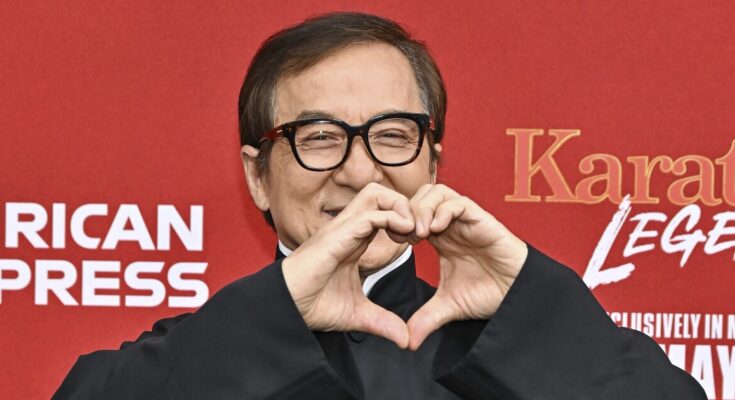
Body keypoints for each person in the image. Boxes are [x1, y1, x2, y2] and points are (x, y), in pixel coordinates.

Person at [53, 12, 706, 400]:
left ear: (433, 166)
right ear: (257, 177)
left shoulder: (511, 356)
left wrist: (532, 309)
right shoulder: (191, 357)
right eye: (318, 137)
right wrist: (276, 316)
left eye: (393, 135)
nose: (362, 172)